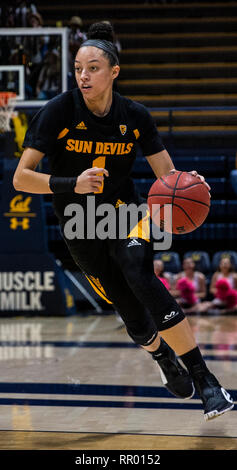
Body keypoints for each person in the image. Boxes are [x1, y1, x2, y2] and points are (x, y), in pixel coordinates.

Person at [13, 21, 234, 421]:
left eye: (93, 67)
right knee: (132, 315)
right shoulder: (57, 112)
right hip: (79, 224)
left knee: (138, 271)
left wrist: (187, 184)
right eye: (79, 68)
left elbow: (167, 177)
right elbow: (21, 177)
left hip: (124, 213)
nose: (83, 75)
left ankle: (207, 382)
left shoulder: (135, 116)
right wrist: (72, 183)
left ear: (114, 71)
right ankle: (163, 357)